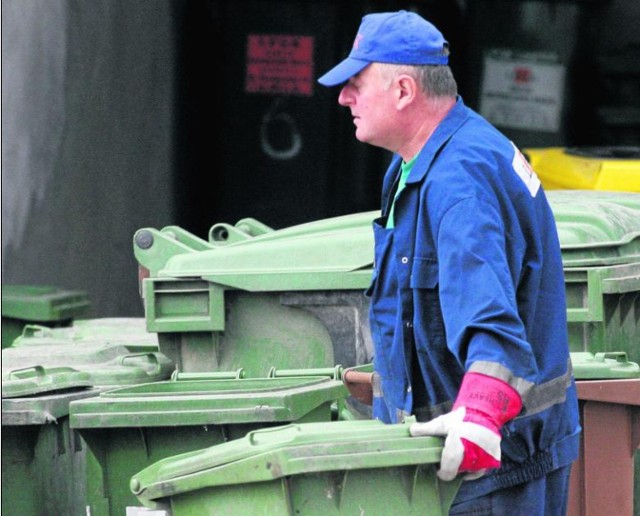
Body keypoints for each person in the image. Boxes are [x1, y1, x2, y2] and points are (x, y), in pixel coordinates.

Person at [318, 10, 581, 516]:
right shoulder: (417, 162)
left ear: (402, 91)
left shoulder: (459, 180)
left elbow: (492, 320)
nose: (343, 98)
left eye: (355, 83)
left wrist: (479, 415)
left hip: (486, 470)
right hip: (456, 461)